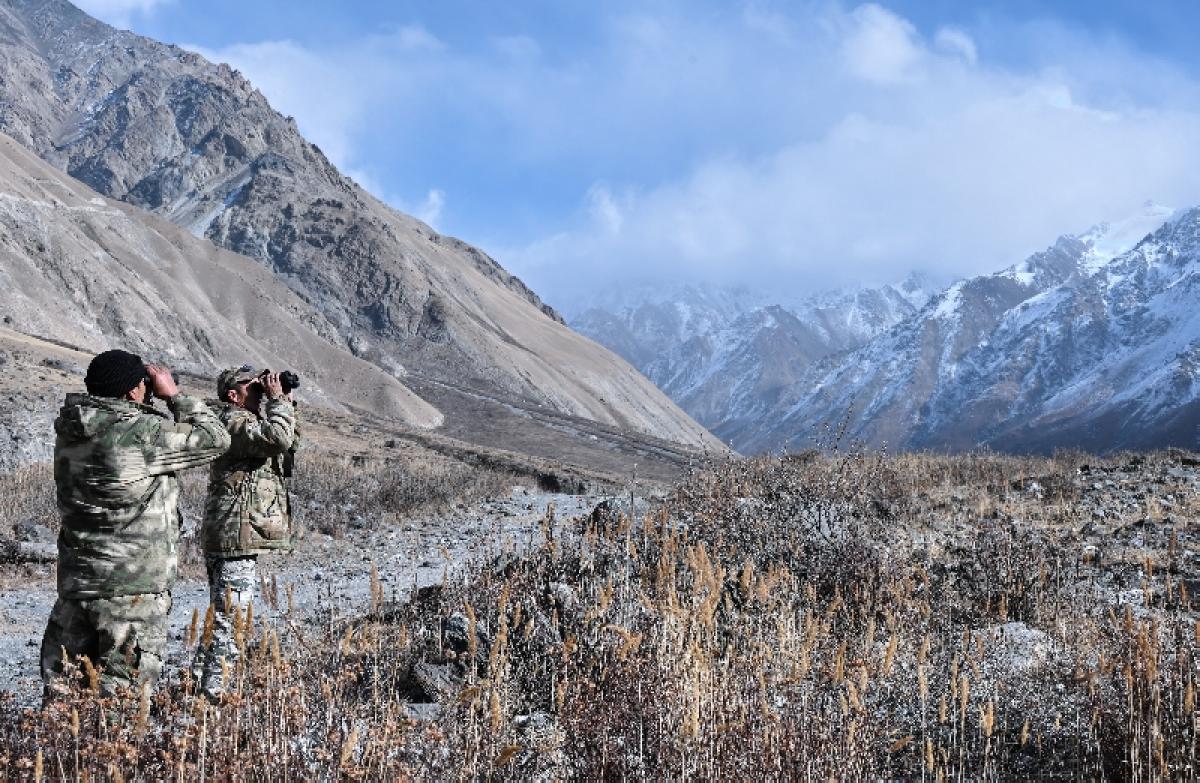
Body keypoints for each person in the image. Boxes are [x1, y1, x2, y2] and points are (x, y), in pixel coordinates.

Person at [41, 349, 230, 701]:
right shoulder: (142, 433)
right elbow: (215, 438)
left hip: (77, 585)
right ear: (132, 391)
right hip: (131, 593)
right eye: (143, 384)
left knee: (62, 703)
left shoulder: (71, 430)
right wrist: (173, 396)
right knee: (121, 709)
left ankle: (56, 758)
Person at [196, 366, 299, 699]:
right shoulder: (231, 422)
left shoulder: (252, 420)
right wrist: (277, 404)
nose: (260, 388)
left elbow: (290, 441)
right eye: (252, 386)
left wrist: (285, 403)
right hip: (232, 535)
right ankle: (214, 695)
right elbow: (277, 438)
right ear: (232, 395)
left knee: (224, 615)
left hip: (238, 534)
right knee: (231, 619)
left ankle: (200, 683)